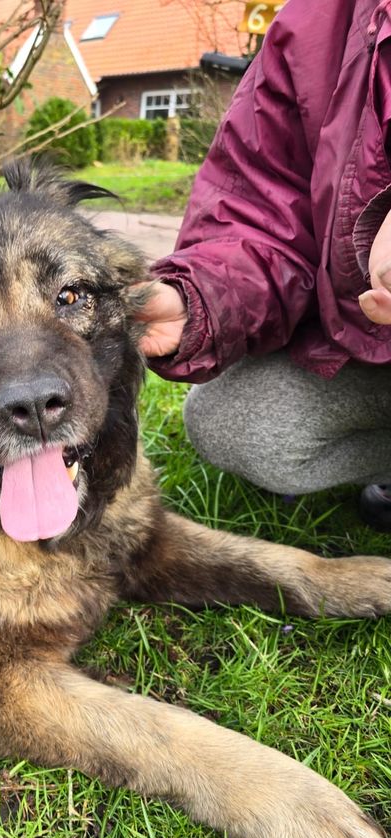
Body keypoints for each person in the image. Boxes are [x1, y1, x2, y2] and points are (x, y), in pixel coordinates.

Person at [134, 0, 391, 530]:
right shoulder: (320, 22)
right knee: (232, 421)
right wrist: (199, 299)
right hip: (375, 351)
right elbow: (264, 217)